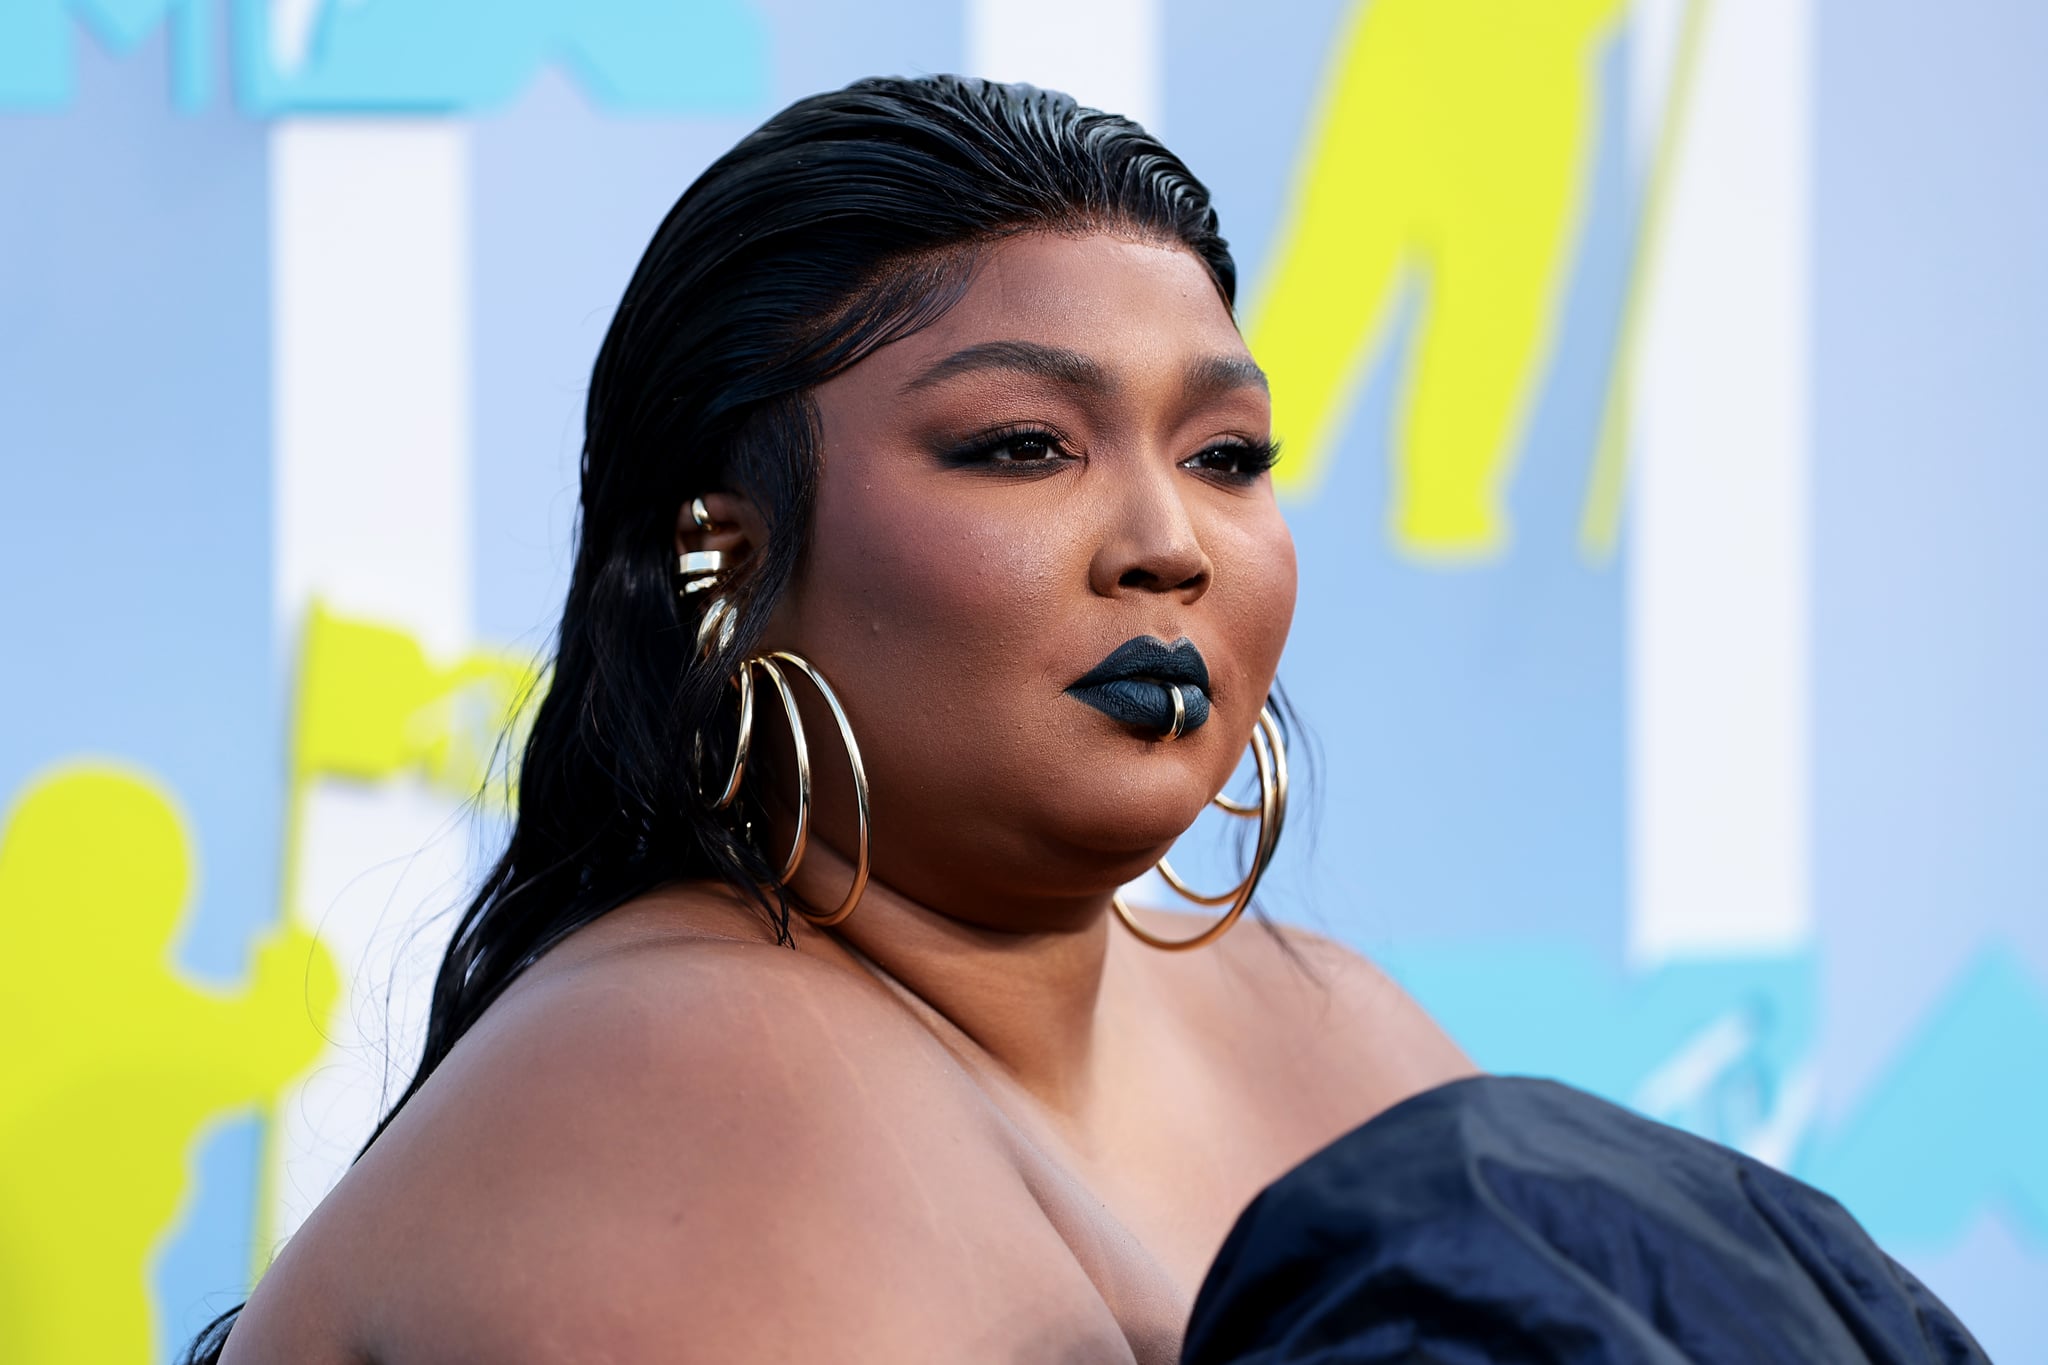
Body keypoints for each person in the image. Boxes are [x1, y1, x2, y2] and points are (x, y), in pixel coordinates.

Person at [191, 76, 1986, 1364]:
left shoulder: (1324, 1023)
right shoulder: (680, 1063)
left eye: (1228, 457)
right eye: (1023, 447)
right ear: (721, 559)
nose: (1167, 541)